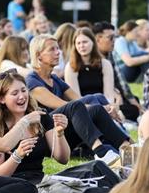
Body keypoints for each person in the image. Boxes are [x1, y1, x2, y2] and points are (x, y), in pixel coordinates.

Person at [25, 35, 127, 166]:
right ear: (39, 55)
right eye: (52, 49)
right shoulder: (32, 81)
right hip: (47, 137)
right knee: (77, 106)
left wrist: (105, 106)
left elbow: (80, 99)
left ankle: (126, 147)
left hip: (62, 129)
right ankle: (101, 151)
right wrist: (105, 109)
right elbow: (64, 105)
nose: (58, 53)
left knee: (96, 99)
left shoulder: (54, 78)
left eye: (58, 48)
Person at [0, 70, 72, 187]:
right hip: (13, 185)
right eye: (15, 93)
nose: (21, 96)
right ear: (2, 99)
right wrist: (17, 155)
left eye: (24, 90)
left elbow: (63, 159)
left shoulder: (41, 117)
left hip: (40, 181)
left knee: (93, 168)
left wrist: (60, 134)